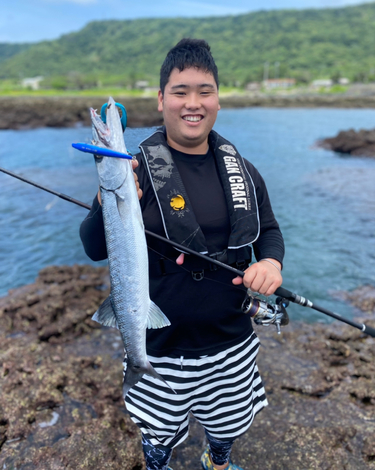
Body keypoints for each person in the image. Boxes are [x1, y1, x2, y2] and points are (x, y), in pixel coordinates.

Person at [80, 38, 284, 470]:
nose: (193, 103)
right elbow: (95, 246)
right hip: (158, 347)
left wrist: (270, 262)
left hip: (231, 342)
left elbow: (268, 231)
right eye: (180, 91)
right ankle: (158, 462)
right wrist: (107, 199)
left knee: (227, 425)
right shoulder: (133, 169)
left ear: (218, 100)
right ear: (160, 100)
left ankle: (218, 461)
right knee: (158, 433)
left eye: (204, 91)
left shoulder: (243, 171)